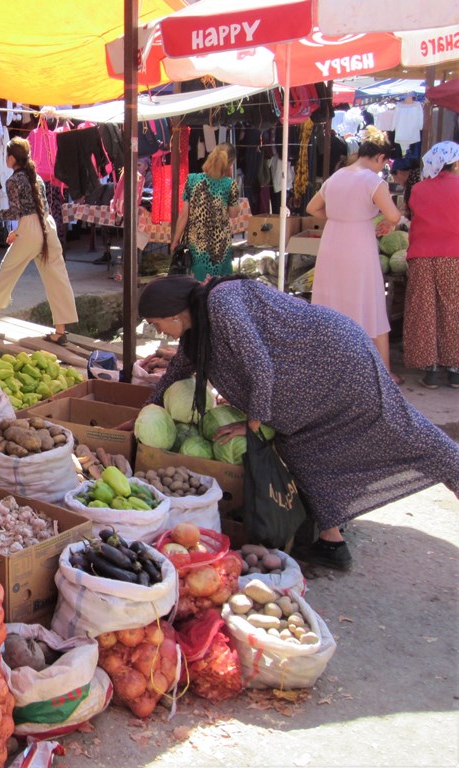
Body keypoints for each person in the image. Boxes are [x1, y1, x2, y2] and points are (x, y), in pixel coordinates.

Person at [137, 274, 459, 571]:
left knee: (400, 428)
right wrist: (143, 414)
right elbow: (179, 369)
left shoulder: (220, 303)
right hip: (309, 375)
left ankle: (454, 466)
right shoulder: (200, 326)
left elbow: (260, 366)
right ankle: (332, 543)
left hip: (336, 359)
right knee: (301, 447)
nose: (158, 331)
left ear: (174, 313)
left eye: (156, 323)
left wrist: (253, 424)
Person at [305, 128, 404, 381]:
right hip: (358, 245)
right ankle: (384, 372)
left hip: (332, 243)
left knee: (331, 303)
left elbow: (312, 207)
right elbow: (393, 215)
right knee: (369, 303)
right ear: (381, 157)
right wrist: (389, 222)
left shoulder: (337, 176)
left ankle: (327, 366)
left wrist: (339, 217)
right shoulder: (373, 181)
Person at [0, 137, 78, 346]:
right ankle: (60, 331)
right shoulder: (35, 177)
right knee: (57, 278)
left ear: (11, 158)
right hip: (48, 225)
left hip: (30, 229)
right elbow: (34, 210)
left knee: (8, 269)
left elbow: (14, 212)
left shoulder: (13, 180)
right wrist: (19, 231)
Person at [402, 141, 459, 390]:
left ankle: (431, 370)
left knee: (424, 309)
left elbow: (414, 214)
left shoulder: (419, 189)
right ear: (454, 162)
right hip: (454, 255)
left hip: (422, 255)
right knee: (453, 309)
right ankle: (455, 370)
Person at [170, 143, 241, 281]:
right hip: (220, 249)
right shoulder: (230, 184)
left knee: (197, 286)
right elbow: (233, 213)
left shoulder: (192, 180)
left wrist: (175, 240)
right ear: (230, 163)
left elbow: (184, 215)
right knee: (220, 288)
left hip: (196, 247)